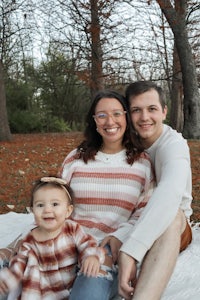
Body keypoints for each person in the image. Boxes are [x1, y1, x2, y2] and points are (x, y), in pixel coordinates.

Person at [57, 90, 155, 300]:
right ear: (94, 121)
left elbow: (143, 212)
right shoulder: (75, 158)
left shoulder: (142, 163)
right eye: (101, 115)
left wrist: (120, 236)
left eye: (117, 114)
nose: (109, 121)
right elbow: (55, 201)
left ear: (126, 116)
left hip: (105, 250)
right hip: (65, 241)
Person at [118, 80, 193, 300]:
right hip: (130, 217)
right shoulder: (124, 141)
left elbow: (170, 193)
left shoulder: (174, 145)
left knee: (172, 216)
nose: (144, 117)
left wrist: (131, 250)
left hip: (173, 224)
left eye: (152, 109)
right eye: (136, 110)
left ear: (164, 111)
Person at [0, 176, 105, 300]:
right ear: (33, 211)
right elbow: (19, 264)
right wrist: (7, 280)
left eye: (55, 204)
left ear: (68, 210)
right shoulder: (29, 240)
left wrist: (91, 257)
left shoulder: (72, 229)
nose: (47, 210)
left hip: (68, 291)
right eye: (40, 205)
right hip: (40, 293)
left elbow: (87, 244)